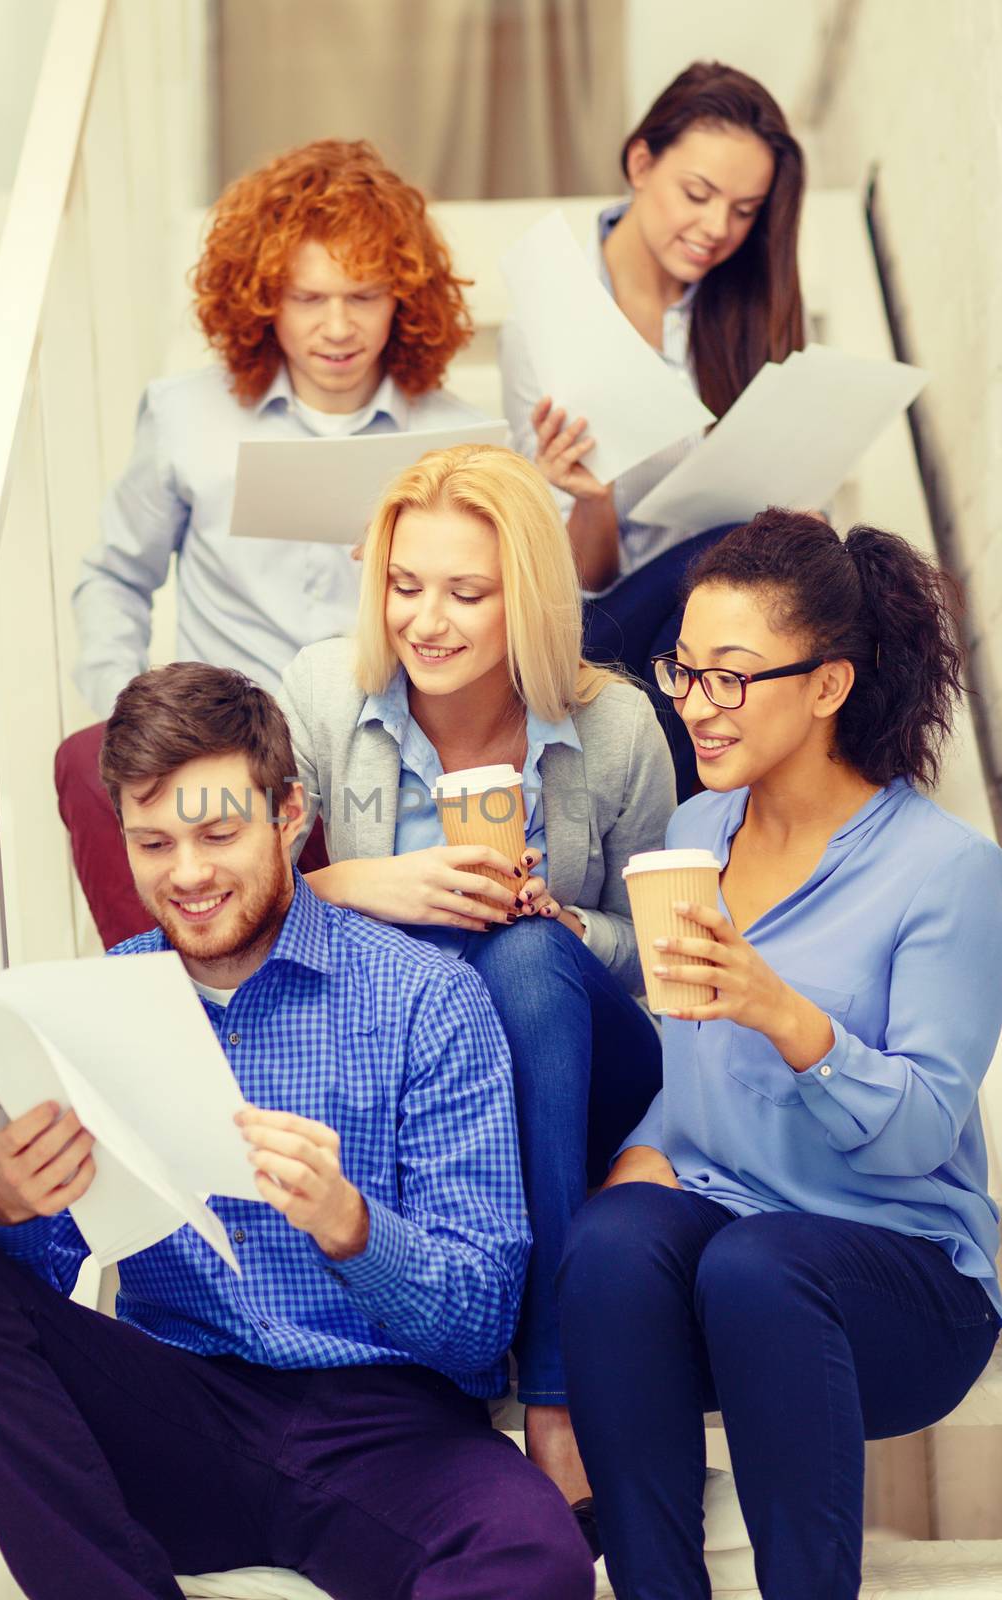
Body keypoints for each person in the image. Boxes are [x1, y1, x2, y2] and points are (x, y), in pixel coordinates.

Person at [0, 664, 594, 1600]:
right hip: (179, 1410)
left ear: (288, 814)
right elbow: (10, 1321)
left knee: (536, 1557)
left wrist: (352, 1227)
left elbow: (480, 1325)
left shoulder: (426, 1001)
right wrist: (6, 1206)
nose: (189, 873)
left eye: (218, 832)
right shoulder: (94, 1003)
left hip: (386, 1431)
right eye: (154, 842)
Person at [558, 510, 1002, 1598]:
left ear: (826, 685)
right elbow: (688, 1078)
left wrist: (783, 1012)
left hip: (904, 1281)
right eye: (684, 670)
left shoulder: (945, 872)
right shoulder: (697, 836)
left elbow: (914, 1136)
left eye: (730, 677)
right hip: (729, 1256)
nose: (692, 705)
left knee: (755, 1268)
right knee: (612, 1240)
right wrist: (635, 1170)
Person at [277, 443, 675, 1506]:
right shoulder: (323, 691)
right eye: (404, 585)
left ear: (530, 599)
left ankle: (550, 1397)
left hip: (576, 1052)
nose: (425, 620)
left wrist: (568, 925)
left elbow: (665, 955)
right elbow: (241, 901)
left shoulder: (617, 727)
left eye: (466, 592)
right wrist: (370, 882)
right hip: (415, 1068)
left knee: (531, 956)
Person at [56, 138, 484, 947]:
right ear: (261, 301)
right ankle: (167, 1003)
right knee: (91, 758)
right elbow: (114, 576)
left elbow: (507, 616)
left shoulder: (457, 436)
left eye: (364, 296)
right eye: (306, 297)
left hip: (380, 751)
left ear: (403, 298)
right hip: (217, 740)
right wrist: (130, 710)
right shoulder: (186, 416)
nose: (336, 327)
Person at [500, 62, 805, 797]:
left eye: (743, 210)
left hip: (733, 620)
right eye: (696, 195)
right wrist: (591, 497)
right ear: (641, 163)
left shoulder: (744, 303)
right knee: (707, 615)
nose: (715, 230)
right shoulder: (554, 316)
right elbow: (576, 586)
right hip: (615, 626)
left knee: (772, 592)